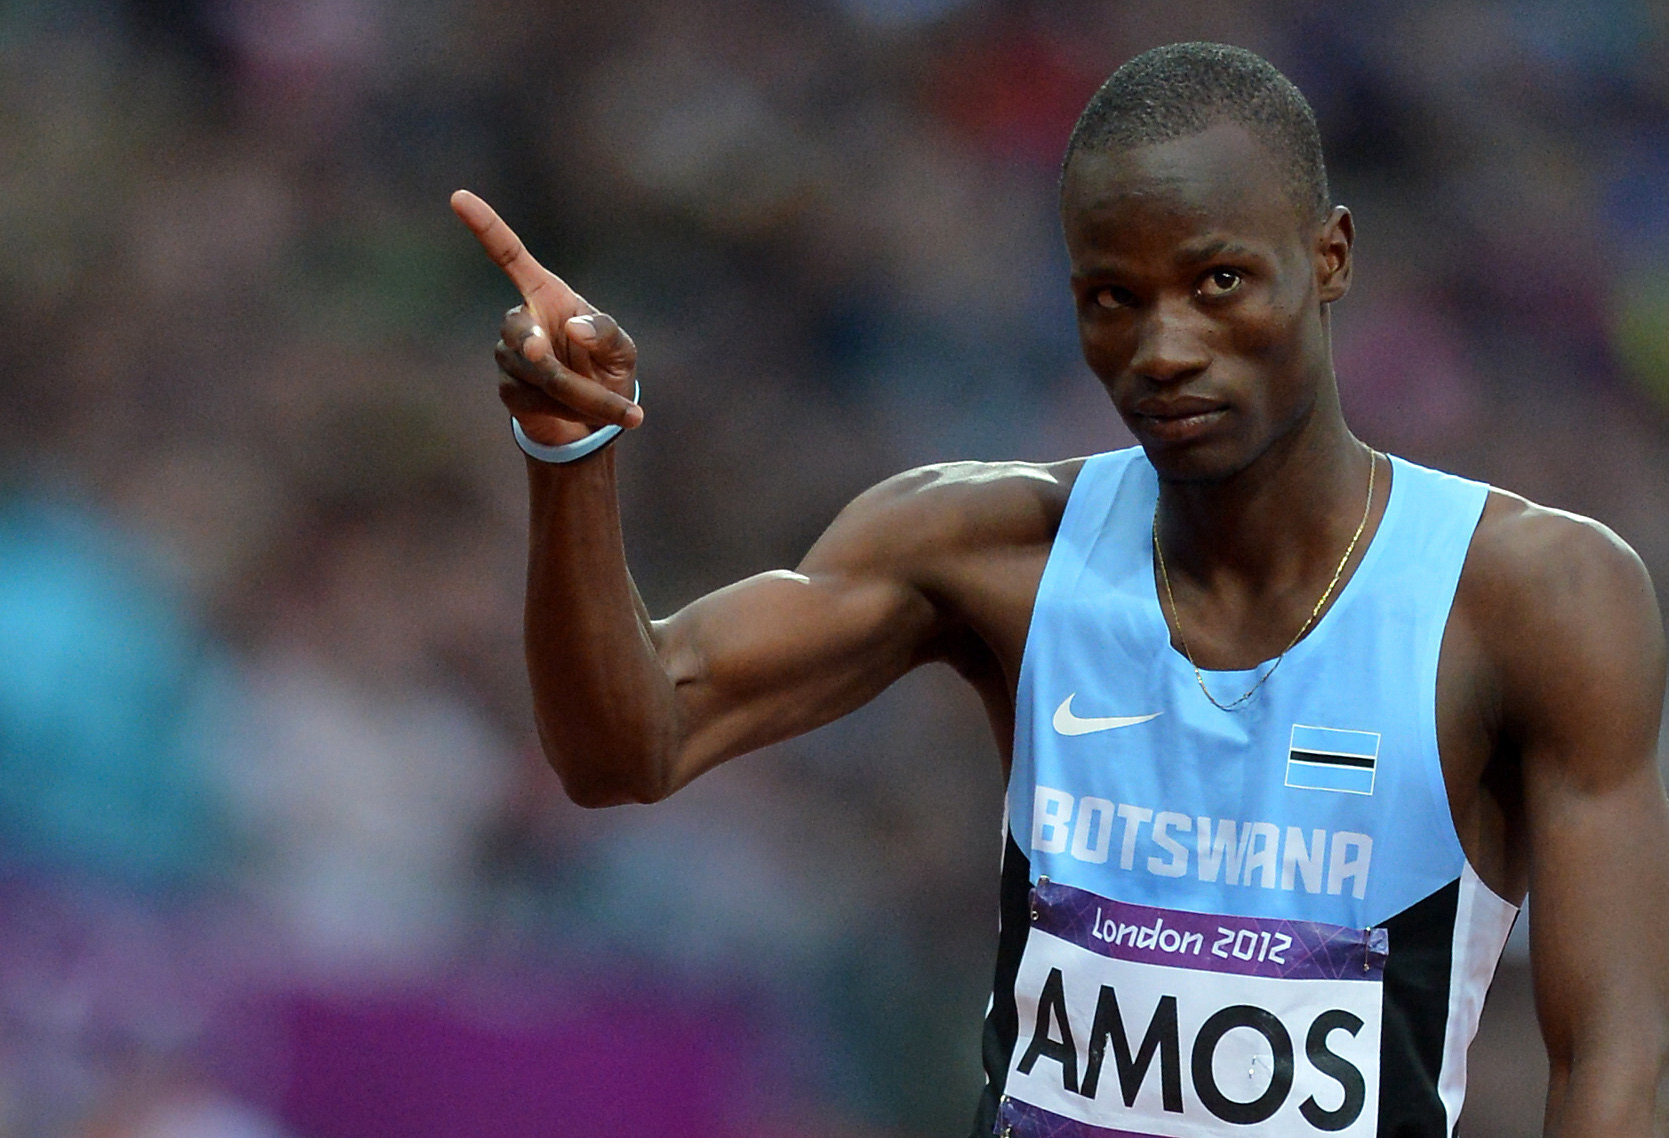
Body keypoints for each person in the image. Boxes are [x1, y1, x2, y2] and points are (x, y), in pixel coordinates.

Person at [450, 42, 1669, 1138]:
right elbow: (624, 747)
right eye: (1110, 299)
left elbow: (1613, 1064)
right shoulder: (984, 544)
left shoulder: (1528, 595)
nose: (1163, 349)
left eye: (1218, 282)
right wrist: (568, 453)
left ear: (1328, 257)